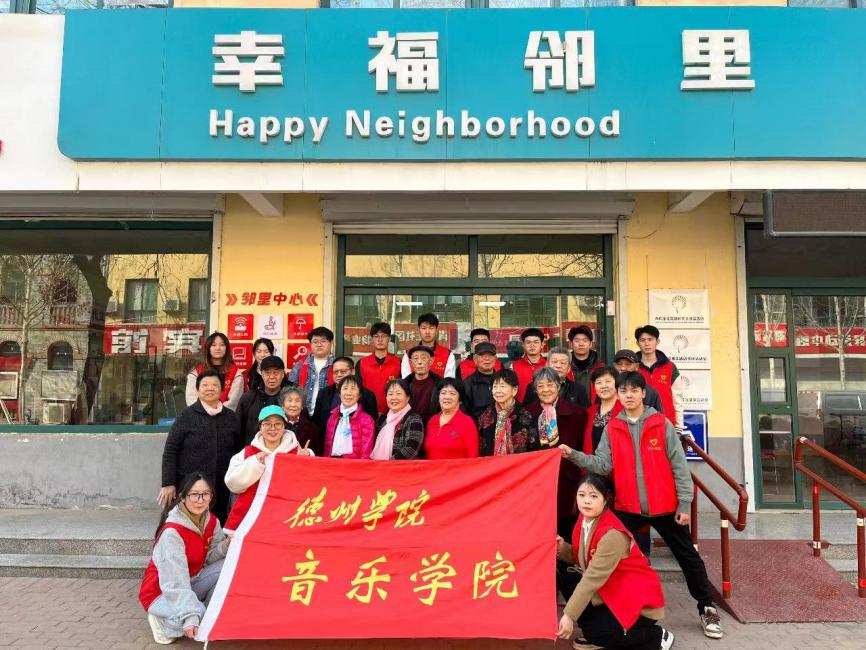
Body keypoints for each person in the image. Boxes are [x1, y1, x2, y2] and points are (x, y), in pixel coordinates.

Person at [560, 371, 723, 640]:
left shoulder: (661, 423)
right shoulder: (613, 427)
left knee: (688, 558)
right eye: (623, 391)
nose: (628, 396)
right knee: (619, 560)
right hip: (628, 507)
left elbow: (679, 466)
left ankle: (707, 607)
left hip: (665, 506)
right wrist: (573, 455)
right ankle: (621, 611)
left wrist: (684, 503)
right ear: (618, 395)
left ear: (643, 393)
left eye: (633, 391)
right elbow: (602, 464)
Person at [556, 474, 673, 650]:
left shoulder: (612, 534)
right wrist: (561, 548)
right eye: (582, 495)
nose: (586, 501)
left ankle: (656, 636)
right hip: (612, 590)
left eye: (593, 496)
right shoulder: (585, 520)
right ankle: (600, 632)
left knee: (598, 632)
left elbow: (592, 578)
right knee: (567, 577)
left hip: (636, 600)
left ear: (606, 500)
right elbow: (582, 557)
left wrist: (568, 615)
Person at [140, 472, 230, 645]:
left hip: (191, 581)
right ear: (182, 496)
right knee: (200, 617)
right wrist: (191, 616)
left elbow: (209, 558)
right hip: (161, 592)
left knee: (228, 569)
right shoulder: (172, 533)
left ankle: (201, 612)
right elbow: (175, 583)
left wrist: (226, 545)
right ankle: (164, 624)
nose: (200, 500)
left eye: (205, 494)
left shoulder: (212, 521)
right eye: (194, 494)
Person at [525, 366, 587, 602]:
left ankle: (569, 587)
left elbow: (582, 449)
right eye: (540, 386)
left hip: (567, 482)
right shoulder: (527, 413)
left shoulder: (577, 414)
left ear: (559, 386)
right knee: (540, 534)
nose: (545, 389)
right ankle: (544, 586)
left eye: (550, 384)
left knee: (565, 534)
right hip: (536, 485)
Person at [160, 370, 241, 523]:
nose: (210, 388)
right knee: (189, 525)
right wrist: (168, 483)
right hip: (190, 486)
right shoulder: (186, 416)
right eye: (205, 385)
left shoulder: (231, 417)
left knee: (217, 526)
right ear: (197, 389)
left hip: (222, 487)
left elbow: (239, 452)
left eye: (215, 385)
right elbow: (170, 451)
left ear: (222, 389)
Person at [223, 405, 314, 535]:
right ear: (260, 427)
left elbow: (310, 486)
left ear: (284, 426)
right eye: (267, 424)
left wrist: (308, 461)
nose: (273, 428)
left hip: (287, 517)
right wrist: (255, 464)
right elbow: (233, 484)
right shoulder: (247, 453)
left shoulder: (298, 453)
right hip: (251, 517)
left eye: (278, 424)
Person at [634, 325, 685, 435]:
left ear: (657, 342)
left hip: (666, 424)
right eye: (642, 340)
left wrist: (678, 427)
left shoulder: (670, 367)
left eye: (650, 339)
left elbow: (678, 398)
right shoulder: (633, 367)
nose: (647, 343)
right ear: (637, 343)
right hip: (638, 425)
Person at [476, 369, 539, 456]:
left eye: (502, 386)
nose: (498, 391)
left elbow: (535, 448)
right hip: (492, 463)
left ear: (514, 390)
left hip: (520, 463)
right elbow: (480, 447)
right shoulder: (485, 416)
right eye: (495, 386)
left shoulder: (526, 415)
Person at [312, 356, 378, 435]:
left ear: (353, 371)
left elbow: (372, 424)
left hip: (357, 439)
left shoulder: (367, 395)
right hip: (327, 439)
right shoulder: (324, 393)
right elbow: (316, 420)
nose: (339, 374)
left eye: (343, 371)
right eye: (335, 372)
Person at [236, 355, 291, 445]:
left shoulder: (291, 399)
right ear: (261, 374)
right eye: (267, 373)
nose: (272, 377)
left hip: (284, 450)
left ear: (282, 374)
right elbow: (238, 430)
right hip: (253, 450)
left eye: (276, 373)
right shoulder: (248, 398)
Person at [184, 332, 243, 411]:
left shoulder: (235, 373)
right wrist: (204, 412)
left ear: (227, 348)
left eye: (222, 345)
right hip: (200, 416)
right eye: (213, 345)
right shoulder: (196, 372)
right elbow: (191, 399)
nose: (218, 348)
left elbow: (233, 402)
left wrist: (217, 412)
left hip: (226, 416)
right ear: (208, 347)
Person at [424, 378, 479, 459]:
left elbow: (473, 457)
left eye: (452, 393)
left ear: (460, 399)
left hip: (459, 467)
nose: (447, 397)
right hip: (431, 467)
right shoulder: (432, 421)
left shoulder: (467, 422)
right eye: (443, 393)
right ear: (438, 397)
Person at [371, 378, 425, 460]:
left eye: (398, 394)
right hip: (377, 465)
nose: (394, 397)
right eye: (390, 394)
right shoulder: (382, 419)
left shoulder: (414, 419)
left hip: (399, 467)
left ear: (407, 397)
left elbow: (411, 449)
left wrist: (389, 464)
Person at [323, 376, 376, 459]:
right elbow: (327, 449)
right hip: (332, 463)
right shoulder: (332, 418)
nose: (348, 393)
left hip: (353, 465)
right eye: (345, 388)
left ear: (359, 395)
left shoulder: (366, 420)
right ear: (339, 394)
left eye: (353, 389)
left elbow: (366, 452)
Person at [356, 322, 401, 416]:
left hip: (393, 413)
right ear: (372, 339)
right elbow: (357, 390)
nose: (380, 339)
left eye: (383, 336)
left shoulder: (398, 363)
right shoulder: (362, 363)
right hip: (366, 414)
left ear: (389, 339)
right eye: (376, 336)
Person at [288, 326, 335, 416]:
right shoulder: (300, 365)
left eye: (323, 341)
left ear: (331, 342)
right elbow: (290, 391)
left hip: (329, 415)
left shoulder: (338, 365)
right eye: (315, 341)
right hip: (303, 415)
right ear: (310, 344)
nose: (319, 344)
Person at [523, 346, 588, 408]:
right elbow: (526, 412)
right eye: (554, 362)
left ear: (568, 368)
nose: (558, 366)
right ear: (547, 365)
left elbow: (584, 413)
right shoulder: (533, 387)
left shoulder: (579, 389)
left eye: (562, 363)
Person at [400, 312, 456, 379]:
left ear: (436, 330)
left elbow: (449, 382)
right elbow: (405, 381)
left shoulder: (447, 354)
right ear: (419, 330)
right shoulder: (409, 354)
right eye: (424, 328)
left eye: (431, 328)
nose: (427, 332)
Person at [584, 366, 622, 455]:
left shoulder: (625, 410)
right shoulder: (589, 412)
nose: (603, 386)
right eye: (599, 382)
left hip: (617, 461)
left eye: (608, 381)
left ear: (617, 384)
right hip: (592, 461)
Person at [613, 349, 665, 415]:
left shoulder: (650, 392)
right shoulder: (607, 388)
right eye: (619, 364)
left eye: (628, 364)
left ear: (637, 366)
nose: (623, 368)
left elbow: (658, 417)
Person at [404, 345, 445, 423]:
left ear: (431, 361)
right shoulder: (404, 384)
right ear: (411, 362)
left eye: (423, 358)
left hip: (434, 425)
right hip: (411, 426)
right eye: (416, 358)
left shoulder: (441, 385)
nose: (419, 362)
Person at [279, 386, 321, 456]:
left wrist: (308, 453)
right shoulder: (276, 425)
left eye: (297, 401)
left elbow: (317, 452)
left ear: (302, 406)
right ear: (282, 405)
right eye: (289, 400)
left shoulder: (311, 428)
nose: (293, 405)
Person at [460, 341, 499, 417]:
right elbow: (464, 414)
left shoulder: (504, 381)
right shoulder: (467, 384)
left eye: (490, 355)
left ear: (495, 359)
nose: (487, 359)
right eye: (482, 355)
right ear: (475, 359)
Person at [568, 325, 605, 405]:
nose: (581, 344)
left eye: (585, 340)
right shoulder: (565, 368)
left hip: (595, 410)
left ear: (591, 344)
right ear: (571, 344)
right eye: (577, 341)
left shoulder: (601, 368)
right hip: (569, 410)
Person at [511, 328, 547, 403]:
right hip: (521, 407)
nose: (532, 345)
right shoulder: (514, 366)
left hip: (546, 406)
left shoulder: (549, 365)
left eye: (536, 342)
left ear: (542, 344)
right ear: (523, 345)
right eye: (528, 342)